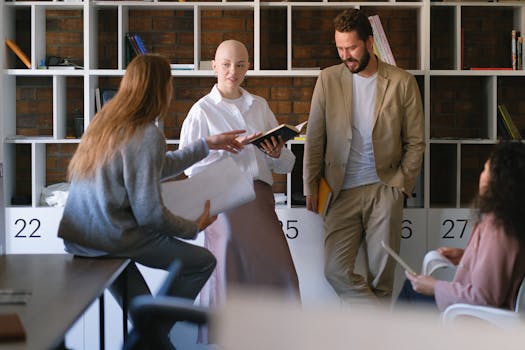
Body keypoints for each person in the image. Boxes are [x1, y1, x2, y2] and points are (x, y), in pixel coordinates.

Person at [57, 54, 248, 312]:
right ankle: (155, 324)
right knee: (202, 261)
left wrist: (206, 145)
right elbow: (150, 215)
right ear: (162, 88)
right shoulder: (147, 133)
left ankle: (152, 329)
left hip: (83, 237)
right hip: (113, 236)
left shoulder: (105, 123)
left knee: (143, 320)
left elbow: (152, 168)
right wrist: (193, 227)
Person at [302, 8, 425, 304]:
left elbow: (416, 141)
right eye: (340, 48)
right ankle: (383, 329)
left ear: (370, 43)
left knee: (382, 278)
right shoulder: (328, 80)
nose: (346, 55)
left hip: (385, 189)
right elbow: (315, 138)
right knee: (334, 270)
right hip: (339, 190)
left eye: (352, 47)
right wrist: (310, 185)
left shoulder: (401, 82)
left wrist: (400, 187)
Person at [180, 40, 300, 310]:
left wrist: (275, 152)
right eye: (225, 64)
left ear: (249, 67)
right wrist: (224, 151)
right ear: (214, 66)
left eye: (240, 64)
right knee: (230, 274)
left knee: (279, 270)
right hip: (223, 202)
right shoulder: (201, 110)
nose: (232, 70)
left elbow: (287, 165)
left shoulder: (259, 105)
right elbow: (189, 167)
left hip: (259, 201)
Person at [398, 141, 525, 312]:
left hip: (475, 316)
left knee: (410, 290)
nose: (481, 176)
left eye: (486, 170)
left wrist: (435, 286)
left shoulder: (498, 227)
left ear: (501, 180)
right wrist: (465, 257)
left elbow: (482, 298)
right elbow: (500, 266)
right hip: (484, 310)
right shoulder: (512, 217)